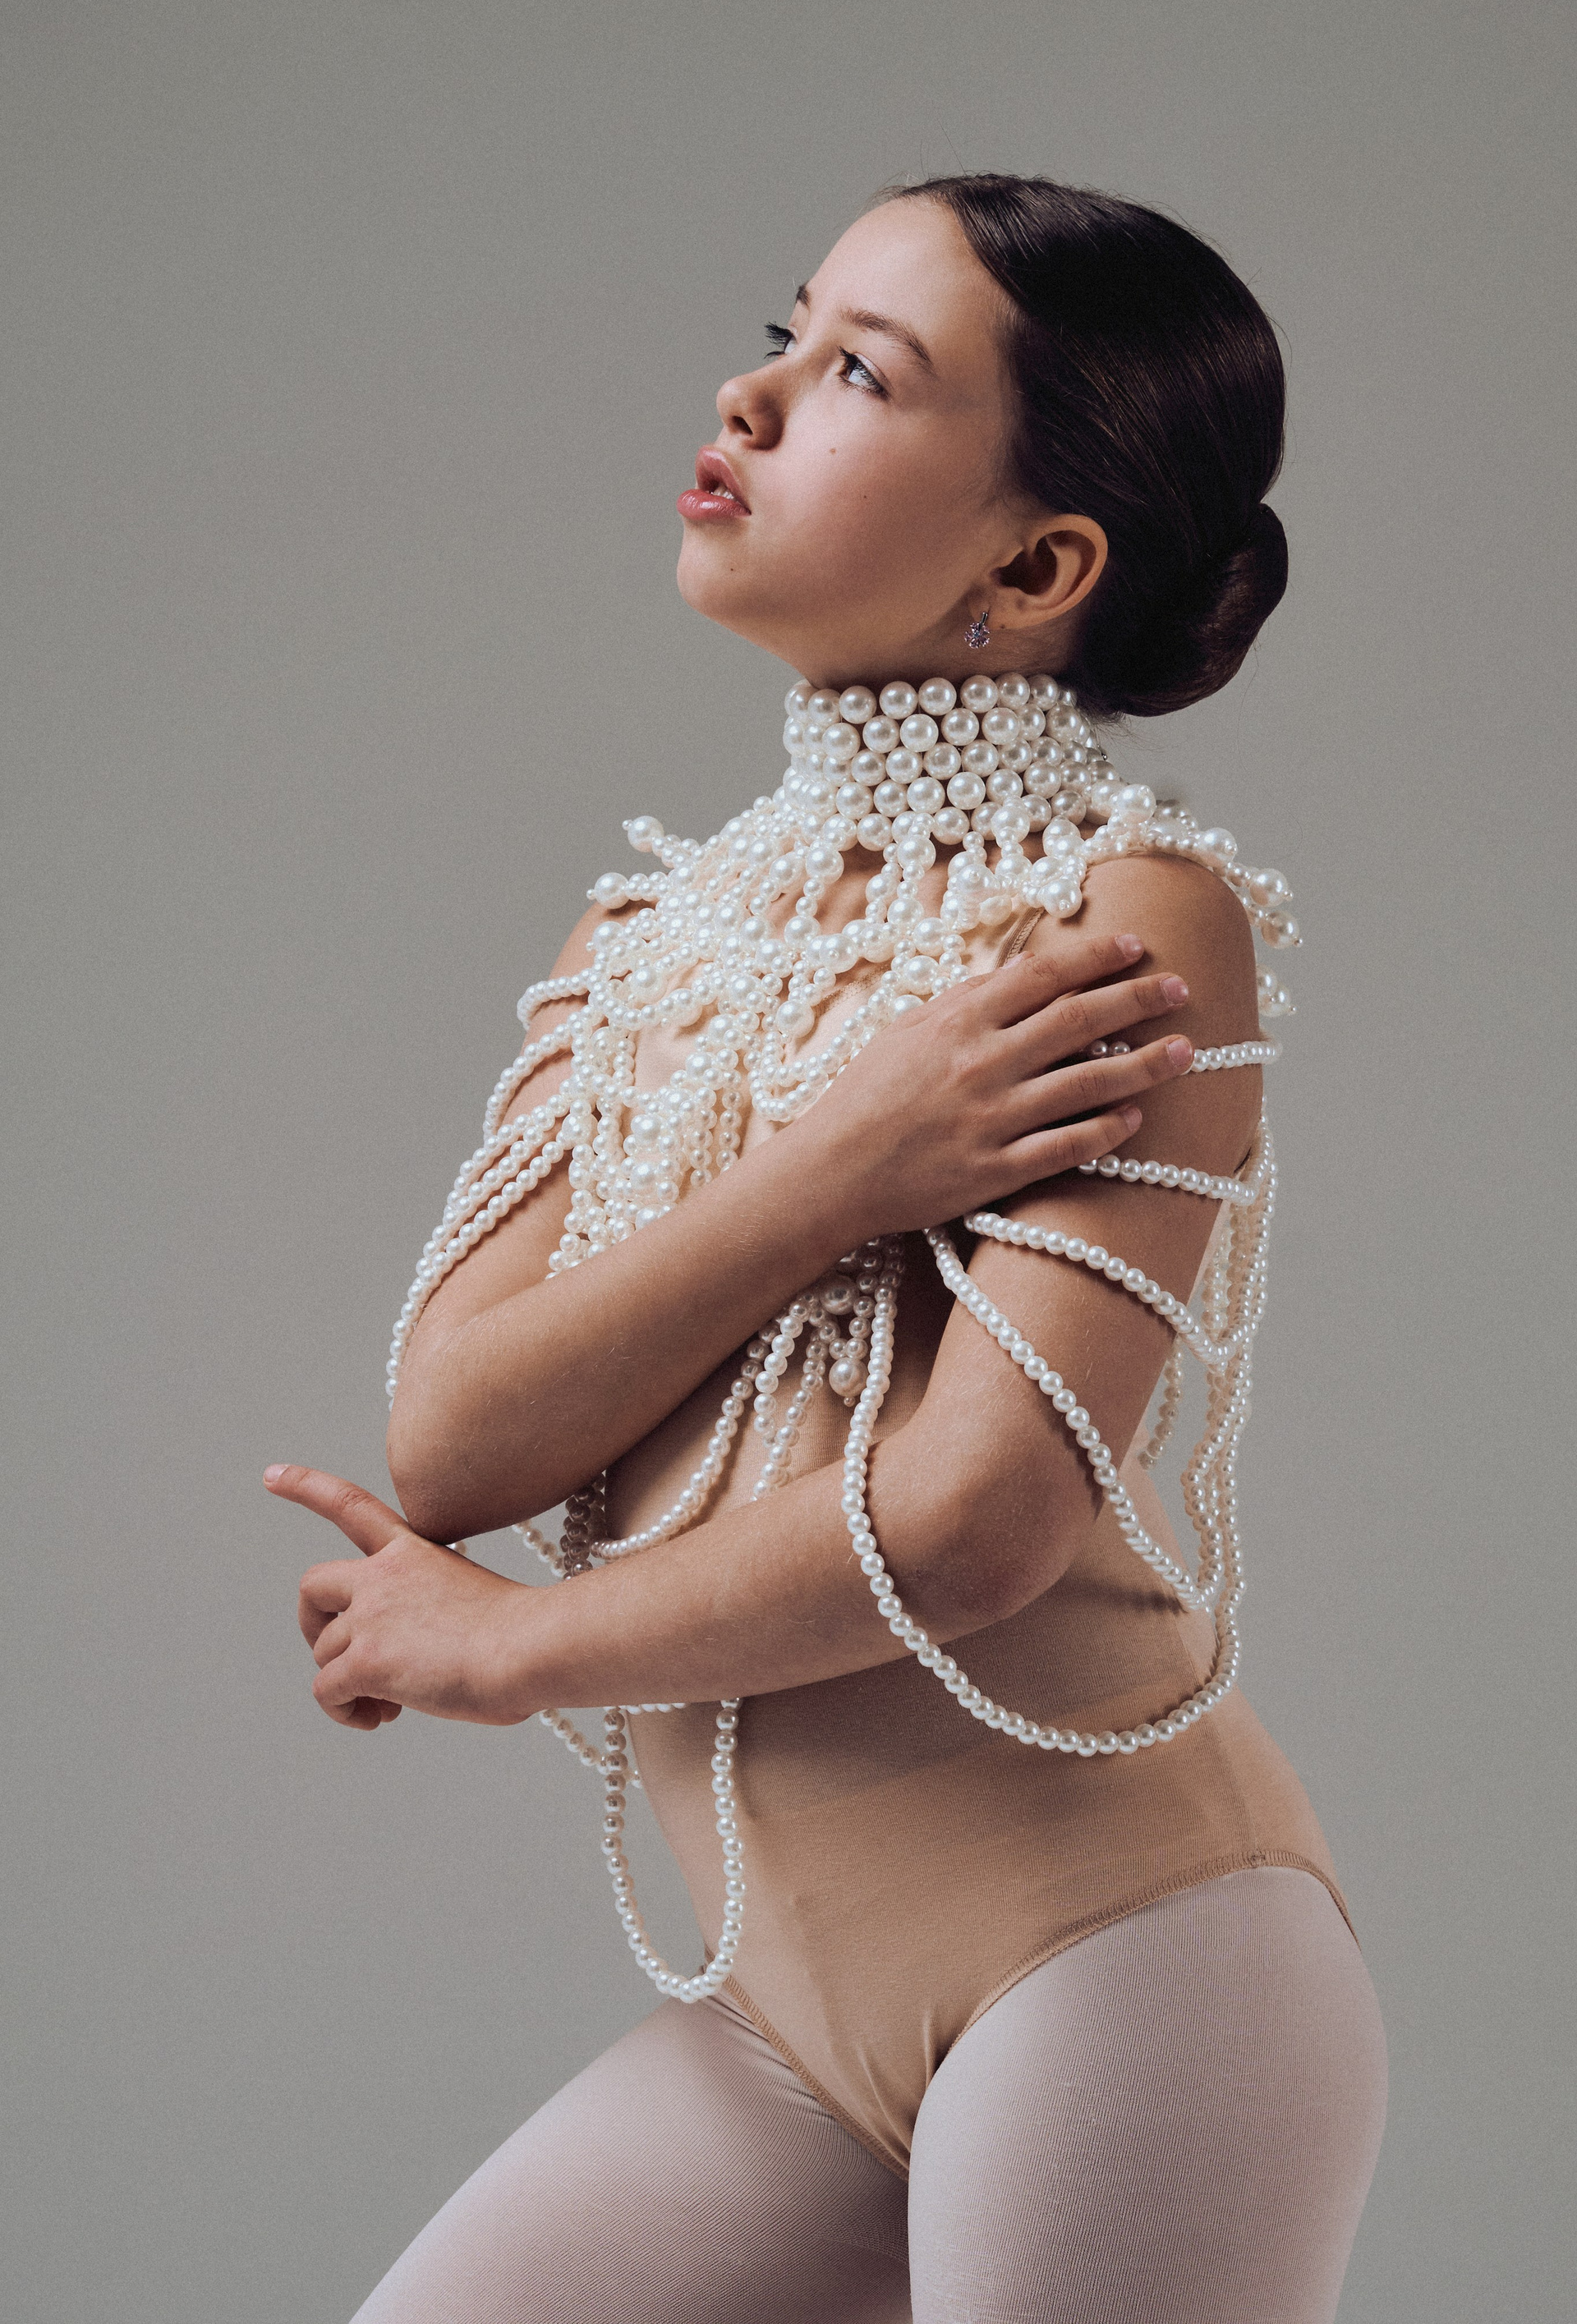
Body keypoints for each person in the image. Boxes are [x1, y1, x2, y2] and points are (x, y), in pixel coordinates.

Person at [268, 174, 1387, 2322]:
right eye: (787, 330)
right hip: (792, 2031)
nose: (752, 395)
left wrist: (507, 1651)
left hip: (1122, 1960)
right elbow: (462, 1440)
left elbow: (976, 1523)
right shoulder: (646, 937)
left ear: (1037, 566)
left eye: (862, 372)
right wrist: (833, 1171)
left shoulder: (1127, 921)